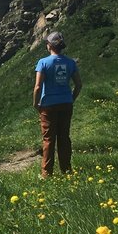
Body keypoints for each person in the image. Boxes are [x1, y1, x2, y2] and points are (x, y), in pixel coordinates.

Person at [33, 31, 82, 178]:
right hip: (66, 103)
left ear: (49, 46)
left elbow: (37, 86)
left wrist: (36, 104)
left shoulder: (43, 62)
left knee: (49, 139)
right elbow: (78, 84)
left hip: (48, 105)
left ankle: (46, 173)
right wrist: (71, 99)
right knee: (64, 137)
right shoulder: (70, 63)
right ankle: (66, 170)